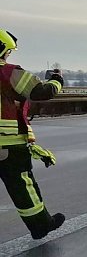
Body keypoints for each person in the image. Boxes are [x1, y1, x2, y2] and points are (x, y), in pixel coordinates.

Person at [0, 29, 66, 239]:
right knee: (22, 186)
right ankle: (40, 226)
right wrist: (57, 80)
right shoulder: (8, 73)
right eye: (7, 52)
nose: (7, 57)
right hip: (8, 145)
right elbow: (41, 92)